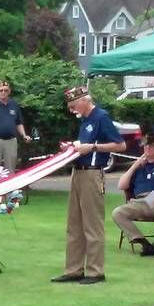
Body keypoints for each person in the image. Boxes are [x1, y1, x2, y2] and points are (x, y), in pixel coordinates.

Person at [51, 86, 126, 285]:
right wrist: (72, 147)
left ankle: (95, 271)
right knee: (74, 224)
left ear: (85, 100)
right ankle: (73, 269)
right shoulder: (85, 120)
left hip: (93, 174)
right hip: (78, 172)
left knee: (92, 225)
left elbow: (120, 145)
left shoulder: (101, 117)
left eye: (74, 106)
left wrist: (92, 147)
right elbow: (83, 145)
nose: (72, 110)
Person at [112, 133, 154, 256]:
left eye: (151, 146)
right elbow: (121, 185)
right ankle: (145, 244)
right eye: (145, 145)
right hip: (139, 201)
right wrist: (135, 166)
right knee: (117, 212)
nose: (147, 148)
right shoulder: (139, 167)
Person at [0, 80, 32, 176]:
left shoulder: (14, 105)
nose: (3, 92)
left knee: (10, 169)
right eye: (1, 90)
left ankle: (9, 190)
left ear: (9, 91)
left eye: (6, 90)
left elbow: (19, 123)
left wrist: (24, 135)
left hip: (11, 141)